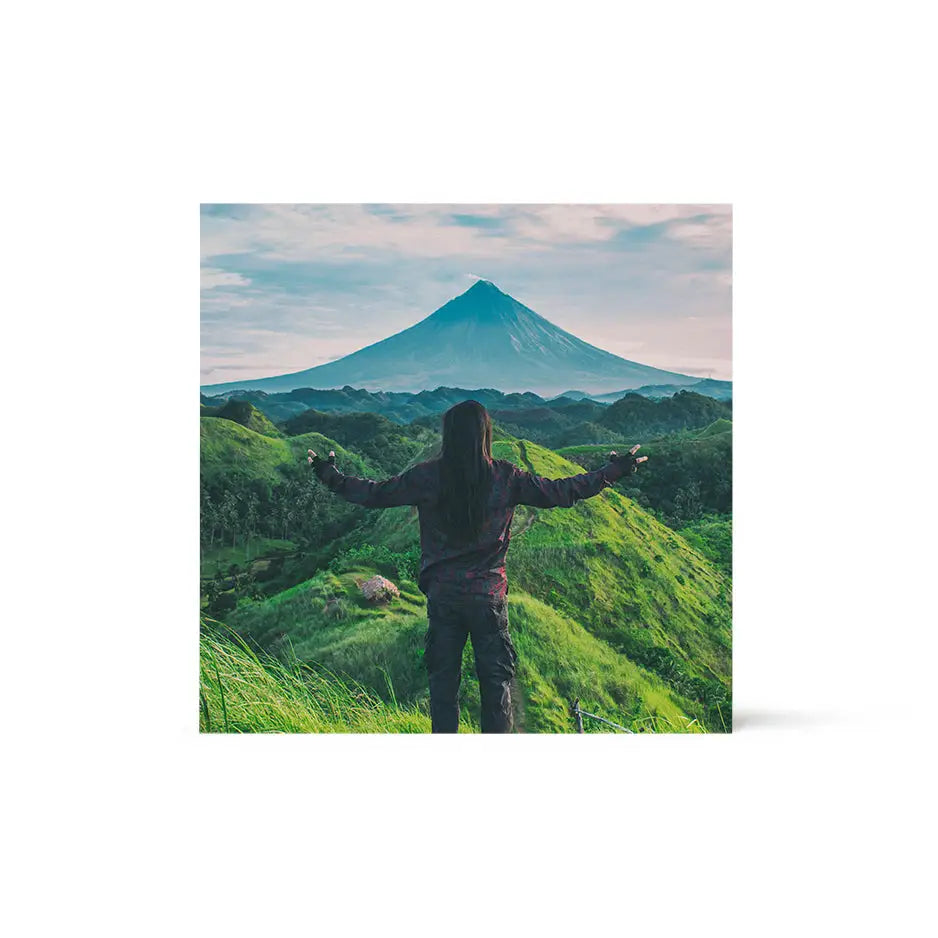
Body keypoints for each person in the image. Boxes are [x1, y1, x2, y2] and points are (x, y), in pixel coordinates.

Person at [307, 399, 647, 733]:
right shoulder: (506, 477)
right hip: (488, 599)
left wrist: (330, 475)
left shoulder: (427, 477)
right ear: (485, 435)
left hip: (443, 599)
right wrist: (612, 471)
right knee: (496, 689)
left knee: (443, 690)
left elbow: (375, 494)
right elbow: (562, 492)